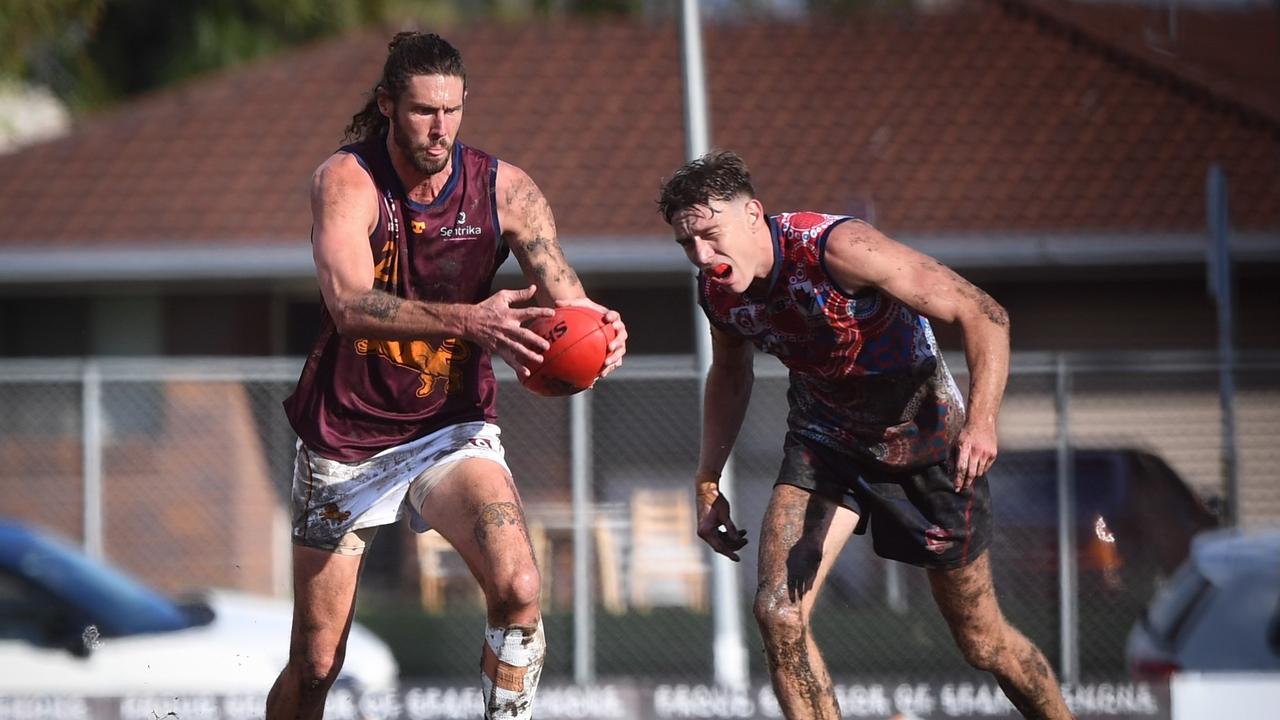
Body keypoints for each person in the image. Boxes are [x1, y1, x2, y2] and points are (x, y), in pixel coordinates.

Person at [267, 32, 627, 720]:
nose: (439, 129)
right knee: (316, 663)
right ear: (387, 105)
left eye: (452, 111)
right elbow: (348, 305)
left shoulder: (506, 189)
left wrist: (599, 329)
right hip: (346, 440)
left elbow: (563, 294)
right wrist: (470, 321)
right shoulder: (346, 181)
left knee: (519, 585)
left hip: (449, 428)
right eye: (423, 110)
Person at [657, 151, 1070, 720]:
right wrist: (707, 480)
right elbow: (730, 371)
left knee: (983, 643)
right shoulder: (720, 293)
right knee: (779, 613)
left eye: (709, 234)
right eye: (686, 246)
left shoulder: (836, 248)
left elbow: (985, 313)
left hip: (927, 448)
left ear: (753, 214)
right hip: (825, 446)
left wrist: (982, 421)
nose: (701, 257)